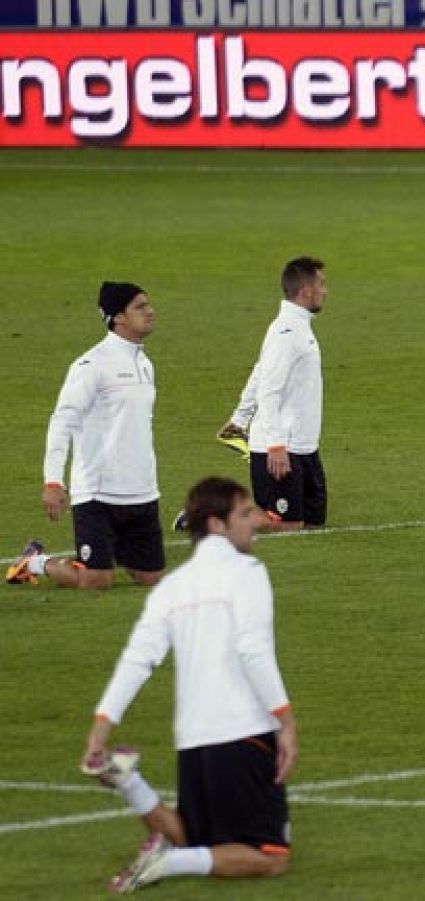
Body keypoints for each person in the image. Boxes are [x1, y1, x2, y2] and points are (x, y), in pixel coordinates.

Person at [81, 476, 297, 894]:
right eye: (245, 513)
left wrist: (100, 730)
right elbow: (253, 649)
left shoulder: (173, 586)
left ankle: (129, 782)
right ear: (217, 524)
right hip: (243, 732)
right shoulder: (247, 571)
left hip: (193, 739)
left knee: (199, 838)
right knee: (271, 857)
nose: (255, 521)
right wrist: (285, 720)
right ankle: (169, 860)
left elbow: (136, 660)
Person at [6, 282, 165, 590]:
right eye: (140, 307)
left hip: (142, 490)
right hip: (97, 492)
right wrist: (53, 482)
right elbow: (62, 421)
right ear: (118, 317)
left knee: (152, 579)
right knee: (96, 580)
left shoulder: (145, 364)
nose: (150, 311)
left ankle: (113, 551)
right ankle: (34, 561)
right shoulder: (91, 365)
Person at [244, 257, 328, 532]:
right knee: (288, 526)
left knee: (313, 523)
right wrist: (276, 445)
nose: (325, 291)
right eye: (322, 285)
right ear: (306, 290)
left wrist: (238, 414)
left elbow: (258, 372)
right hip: (282, 447)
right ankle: (211, 517)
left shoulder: (300, 327)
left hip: (305, 446)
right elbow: (268, 389)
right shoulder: (286, 332)